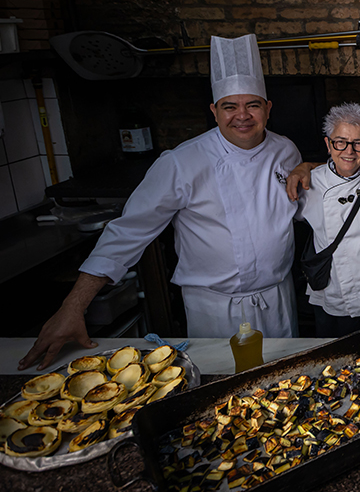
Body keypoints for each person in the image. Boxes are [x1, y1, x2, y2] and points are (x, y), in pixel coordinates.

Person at [20, 35, 302, 371]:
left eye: (253, 104)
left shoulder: (287, 151)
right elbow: (127, 233)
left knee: (289, 386)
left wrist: (311, 166)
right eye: (230, 106)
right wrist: (73, 307)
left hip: (279, 301)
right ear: (214, 111)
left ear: (268, 108)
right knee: (222, 394)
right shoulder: (181, 162)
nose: (242, 115)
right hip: (213, 311)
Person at [296, 103, 360, 338]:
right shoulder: (309, 183)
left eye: (358, 144)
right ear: (328, 144)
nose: (349, 151)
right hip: (333, 292)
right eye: (340, 142)